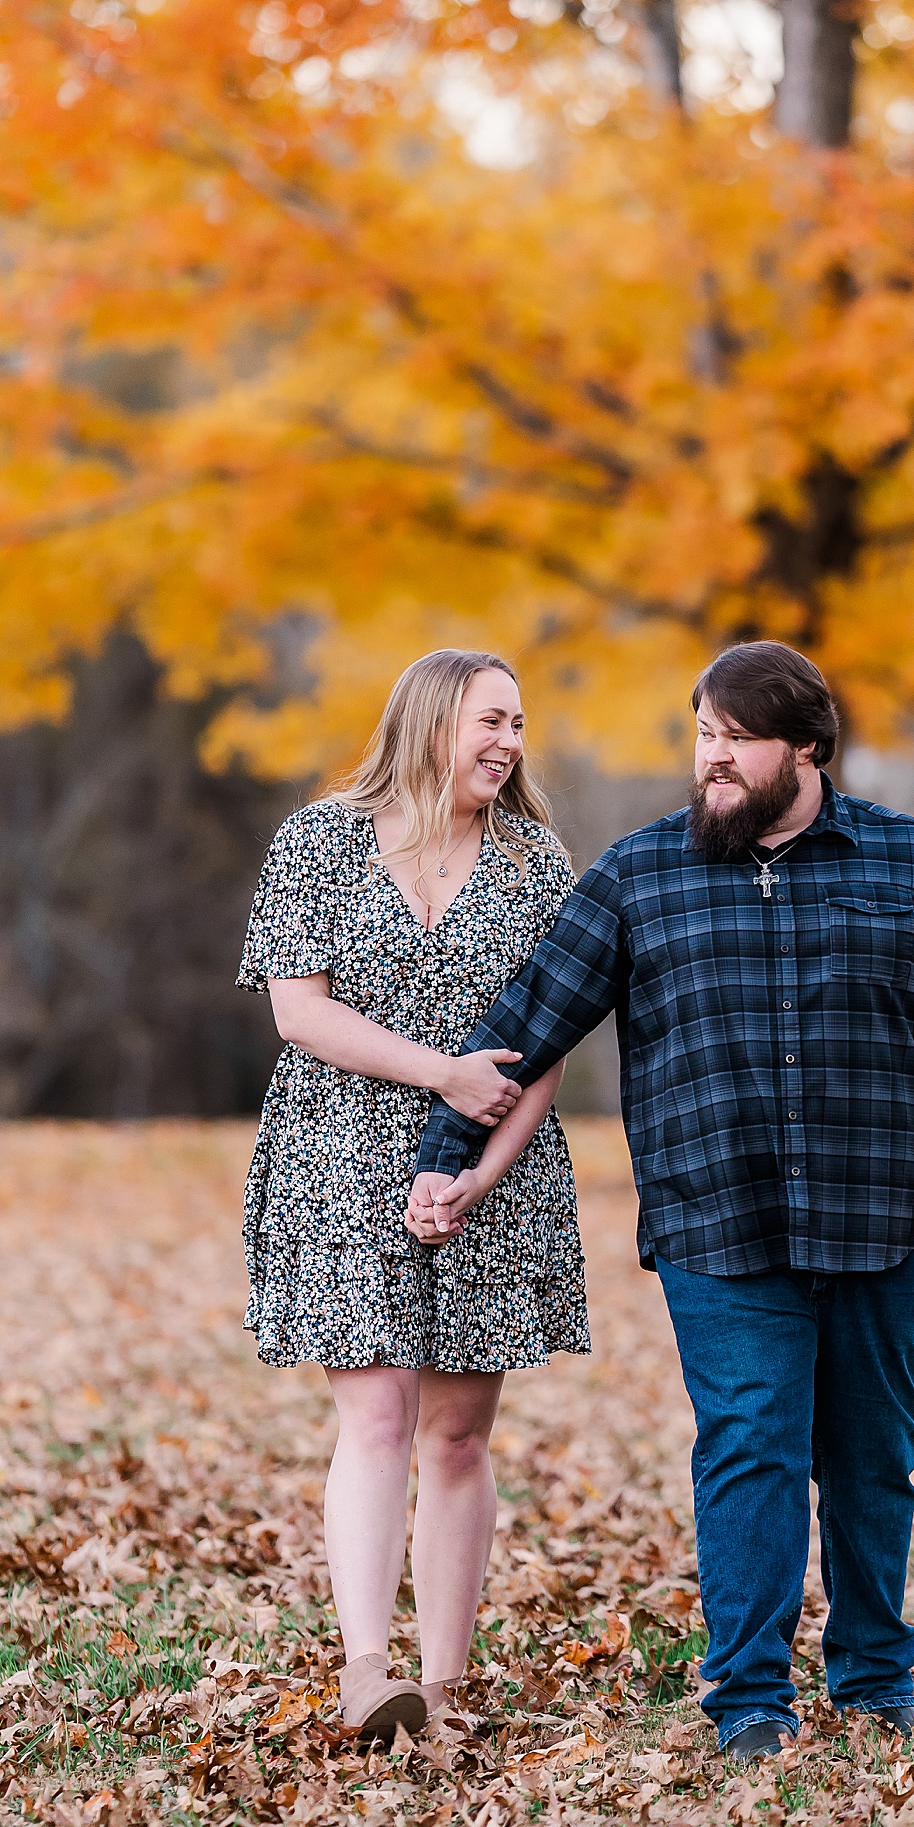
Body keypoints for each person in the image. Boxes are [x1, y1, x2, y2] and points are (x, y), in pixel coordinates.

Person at [408, 640, 914, 1760]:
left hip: (877, 1212)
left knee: (867, 1450)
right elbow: (533, 1012)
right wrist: (446, 1146)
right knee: (747, 1442)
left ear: (804, 745)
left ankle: (873, 1677)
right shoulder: (638, 875)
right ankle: (749, 1696)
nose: (711, 758)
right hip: (716, 1216)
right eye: (700, 734)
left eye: (734, 738)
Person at [236, 649, 588, 1749]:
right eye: (491, 719)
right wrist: (439, 1071)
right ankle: (365, 1670)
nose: (509, 742)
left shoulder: (535, 863)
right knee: (377, 1410)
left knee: (458, 1432)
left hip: (492, 1162)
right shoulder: (319, 841)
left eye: (520, 723)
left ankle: (438, 1684)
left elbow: (546, 1048)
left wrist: (479, 1172)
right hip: (339, 1152)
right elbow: (301, 1014)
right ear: (432, 719)